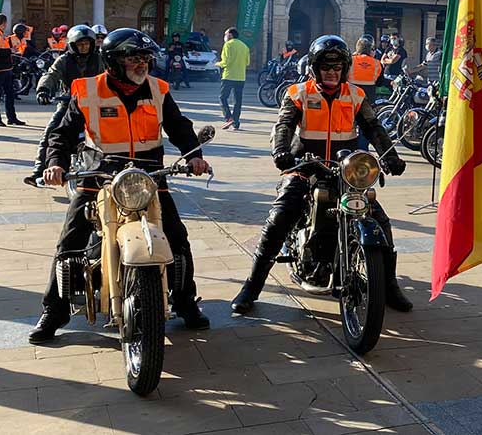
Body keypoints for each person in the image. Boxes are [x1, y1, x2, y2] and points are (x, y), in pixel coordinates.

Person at [29, 28, 212, 343]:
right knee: (70, 241)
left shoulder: (159, 89)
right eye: (133, 58)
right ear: (113, 61)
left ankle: (184, 303)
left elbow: (180, 127)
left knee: (178, 239)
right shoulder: (87, 91)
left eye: (145, 58)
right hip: (99, 173)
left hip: (148, 176)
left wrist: (194, 156)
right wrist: (55, 164)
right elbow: (62, 133)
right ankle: (54, 310)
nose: (142, 64)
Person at [231, 35, 412, 315]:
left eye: (337, 67)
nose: (331, 72)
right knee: (279, 219)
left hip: (345, 173)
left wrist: (391, 156)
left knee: (380, 221)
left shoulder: (356, 95)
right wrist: (281, 152)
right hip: (305, 168)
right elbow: (284, 126)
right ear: (315, 68)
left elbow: (374, 128)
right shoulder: (298, 93)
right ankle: (252, 286)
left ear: (344, 69)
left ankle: (389, 285)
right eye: (326, 67)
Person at [25, 25, 104, 188]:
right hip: (68, 103)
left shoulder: (99, 59)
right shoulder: (64, 60)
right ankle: (39, 171)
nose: (84, 47)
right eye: (80, 44)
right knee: (51, 132)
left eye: (87, 43)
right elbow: (51, 74)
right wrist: (43, 89)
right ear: (73, 44)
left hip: (95, 104)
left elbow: (110, 75)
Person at [0, 14, 25, 127]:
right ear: (4, 23)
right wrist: (10, 51)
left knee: (10, 93)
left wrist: (10, 50)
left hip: (5, 67)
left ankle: (11, 117)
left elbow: (1, 48)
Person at [217, 27, 250, 131]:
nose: (225, 36)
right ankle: (236, 122)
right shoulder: (245, 46)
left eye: (226, 34)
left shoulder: (228, 45)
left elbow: (226, 62)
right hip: (241, 77)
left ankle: (228, 117)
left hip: (229, 76)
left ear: (230, 35)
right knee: (237, 100)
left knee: (223, 98)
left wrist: (217, 64)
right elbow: (247, 62)